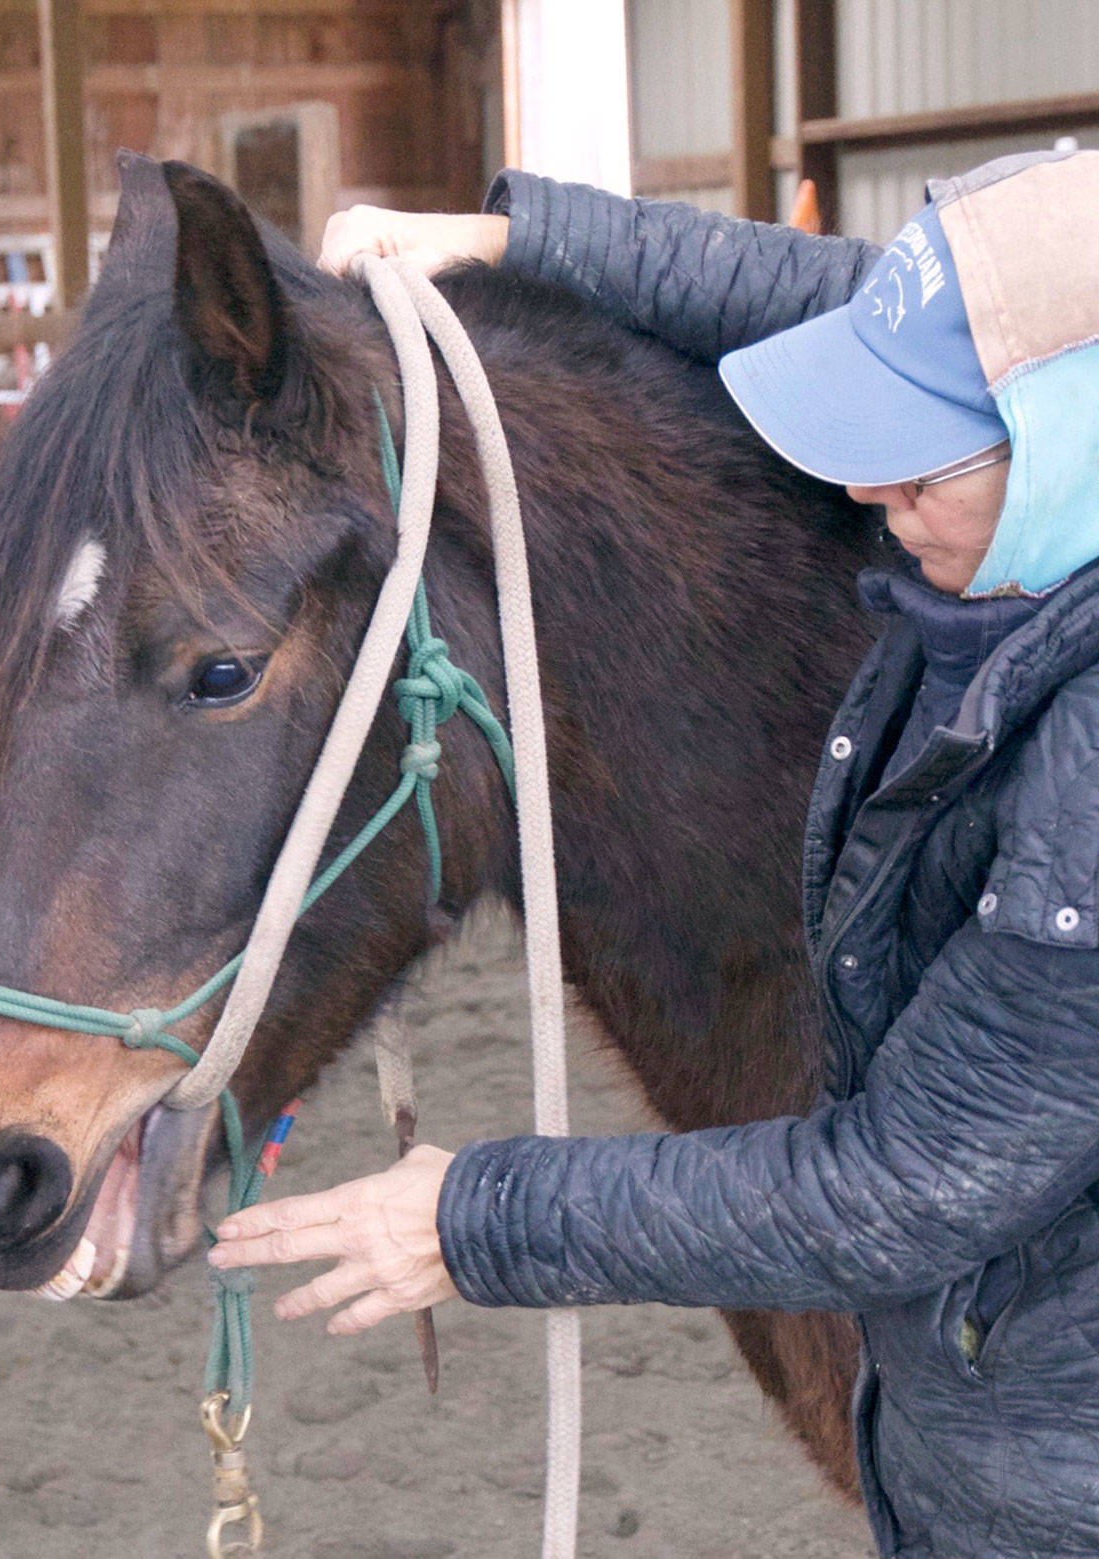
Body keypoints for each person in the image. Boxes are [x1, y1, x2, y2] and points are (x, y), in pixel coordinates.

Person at [209, 148, 1099, 1557]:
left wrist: (474, 1220)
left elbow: (908, 1183)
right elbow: (838, 293)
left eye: (930, 460)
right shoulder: (1029, 546)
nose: (874, 486)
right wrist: (503, 239)